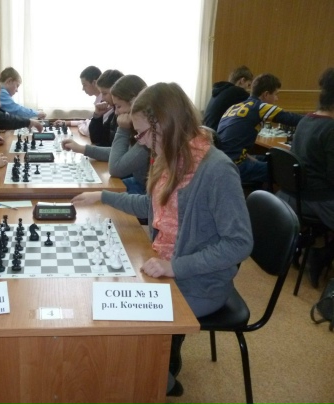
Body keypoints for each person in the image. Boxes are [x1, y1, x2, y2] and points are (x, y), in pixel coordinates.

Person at [71, 82, 253, 396]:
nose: (140, 141)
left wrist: (174, 267)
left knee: (113, 316)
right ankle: (158, 364)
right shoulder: (172, 156)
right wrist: (103, 196)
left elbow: (239, 244)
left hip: (200, 282)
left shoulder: (217, 170)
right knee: (98, 289)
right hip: (166, 261)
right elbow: (153, 205)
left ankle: (158, 378)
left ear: (165, 125)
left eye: (142, 133)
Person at [277, 67, 334, 286]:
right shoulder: (330, 129)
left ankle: (305, 246)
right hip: (316, 200)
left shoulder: (306, 120)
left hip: (293, 195)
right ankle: (320, 255)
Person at [62, 74, 150, 194]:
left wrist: (123, 129)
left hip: (144, 191)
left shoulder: (147, 137)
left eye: (118, 106)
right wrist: (83, 149)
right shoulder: (138, 129)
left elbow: (115, 169)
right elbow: (121, 153)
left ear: (135, 103)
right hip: (138, 184)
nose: (116, 112)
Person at [217, 73, 303, 183]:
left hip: (223, 161)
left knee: (269, 159)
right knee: (288, 170)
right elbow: (292, 119)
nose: (276, 99)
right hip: (236, 166)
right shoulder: (260, 107)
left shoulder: (236, 106)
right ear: (266, 94)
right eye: (275, 94)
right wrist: (316, 118)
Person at [54, 65, 108, 137]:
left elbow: (88, 130)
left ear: (94, 83)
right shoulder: (98, 100)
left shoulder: (105, 103)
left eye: (84, 85)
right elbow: (88, 122)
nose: (83, 89)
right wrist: (67, 123)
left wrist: (81, 126)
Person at [203, 65, 253, 131]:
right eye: (249, 85)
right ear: (242, 81)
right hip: (217, 134)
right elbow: (254, 103)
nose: (249, 89)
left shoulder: (221, 90)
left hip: (207, 131)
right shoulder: (237, 91)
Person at [88, 69, 124, 146]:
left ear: (117, 91)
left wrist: (83, 149)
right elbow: (97, 140)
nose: (102, 98)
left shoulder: (126, 116)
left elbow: (114, 148)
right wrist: (97, 117)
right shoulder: (113, 115)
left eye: (104, 93)